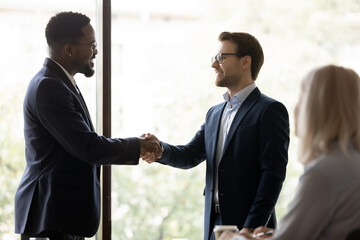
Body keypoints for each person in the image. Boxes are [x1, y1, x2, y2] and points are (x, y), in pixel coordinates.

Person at [15, 11, 162, 240]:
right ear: (69, 49)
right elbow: (88, 147)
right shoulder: (49, 87)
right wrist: (138, 145)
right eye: (92, 44)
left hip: (60, 217)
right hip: (50, 218)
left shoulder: (60, 83)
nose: (96, 50)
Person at [142, 32, 290, 240]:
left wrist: (251, 227)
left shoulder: (269, 110)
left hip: (250, 227)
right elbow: (190, 154)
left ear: (245, 61)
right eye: (214, 58)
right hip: (214, 226)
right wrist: (160, 150)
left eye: (221, 58)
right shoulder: (214, 113)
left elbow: (273, 174)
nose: (214, 65)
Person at [219, 65, 360, 240]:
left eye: (302, 99)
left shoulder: (323, 172)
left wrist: (231, 238)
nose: (296, 109)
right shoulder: (351, 163)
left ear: (317, 108)